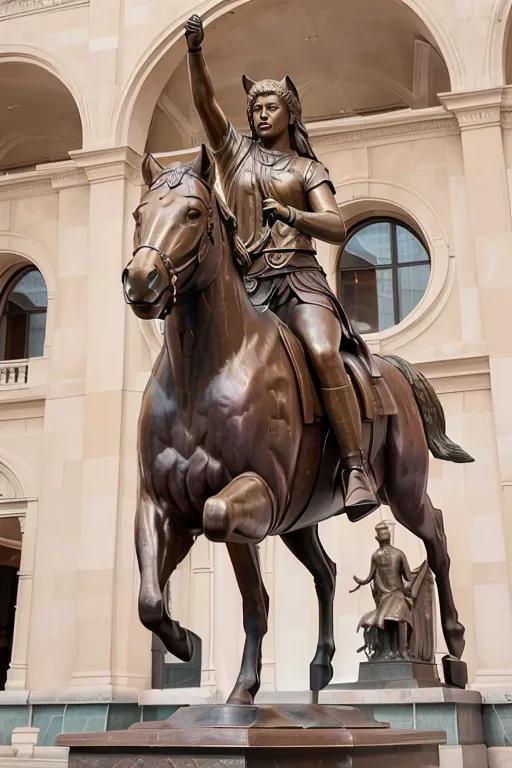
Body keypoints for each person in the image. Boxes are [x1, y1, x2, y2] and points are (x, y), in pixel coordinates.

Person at [184, 14, 379, 520]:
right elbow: (206, 105)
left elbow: (335, 224)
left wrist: (293, 214)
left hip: (299, 284)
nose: (261, 114)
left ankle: (355, 467)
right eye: (255, 108)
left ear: (290, 113)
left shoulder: (306, 169)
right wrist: (195, 53)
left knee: (321, 350)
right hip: (250, 290)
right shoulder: (235, 156)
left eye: (271, 106)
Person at [350, 522, 414, 658]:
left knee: (389, 619)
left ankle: (390, 651)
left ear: (377, 539)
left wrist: (360, 581)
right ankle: (402, 651)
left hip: (384, 597)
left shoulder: (375, 556)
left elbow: (368, 577)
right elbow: (409, 577)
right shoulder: (399, 554)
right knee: (400, 618)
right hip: (396, 595)